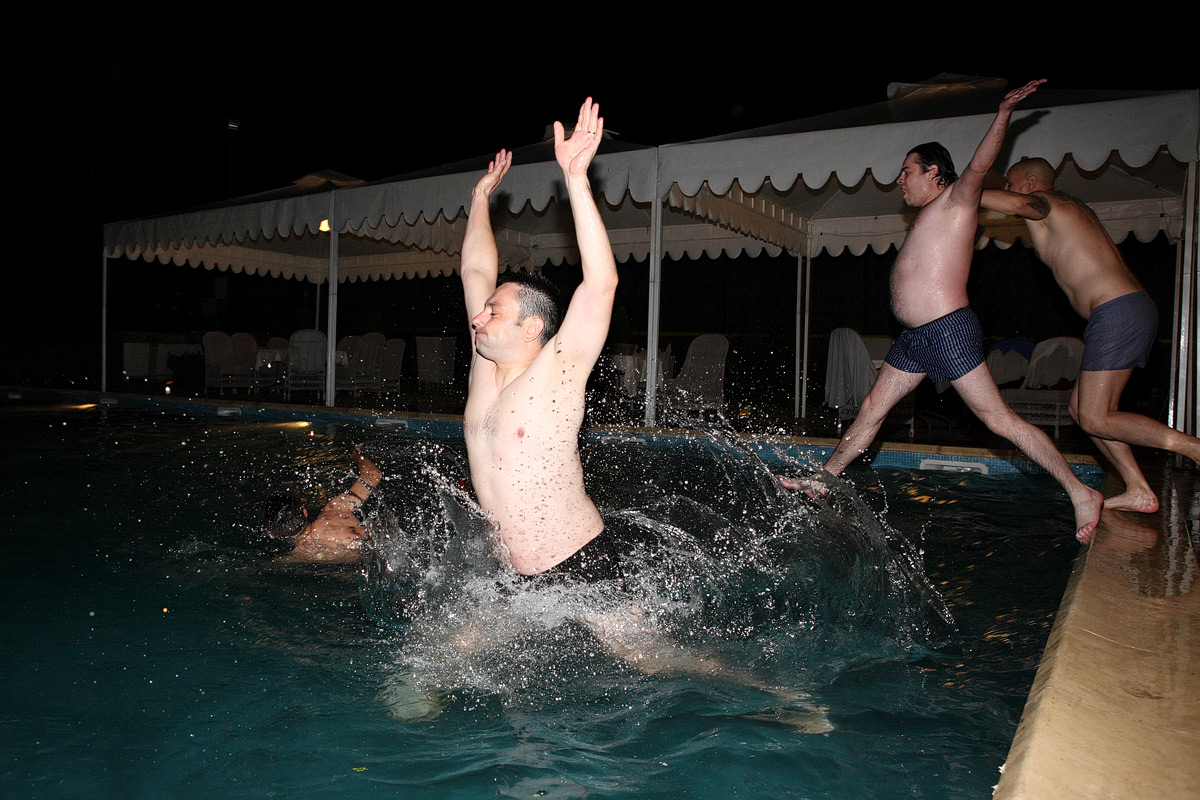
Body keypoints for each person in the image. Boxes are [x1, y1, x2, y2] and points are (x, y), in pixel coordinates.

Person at [778, 79, 1105, 543]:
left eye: (907, 171)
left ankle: (1079, 492)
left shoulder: (956, 200)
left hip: (947, 329)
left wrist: (1003, 114)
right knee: (872, 408)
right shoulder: (928, 216)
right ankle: (823, 481)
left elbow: (980, 165)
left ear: (934, 172)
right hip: (916, 337)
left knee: (998, 420)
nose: (899, 180)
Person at [981, 157, 1200, 512]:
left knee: (1097, 416)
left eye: (1009, 182)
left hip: (1117, 310)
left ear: (1031, 182)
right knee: (1082, 410)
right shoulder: (1070, 207)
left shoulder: (1046, 203)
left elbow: (1020, 204)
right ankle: (1138, 488)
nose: (1006, 189)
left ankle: (1193, 448)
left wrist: (962, 191)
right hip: (1120, 310)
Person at [461, 97, 620, 577]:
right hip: (512, 580)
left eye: (493, 311)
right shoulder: (484, 365)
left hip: (580, 569)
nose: (477, 318)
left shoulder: (557, 372)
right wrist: (479, 198)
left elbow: (600, 284)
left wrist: (576, 179)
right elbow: (475, 270)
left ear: (531, 327)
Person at [262, 444, 381, 562]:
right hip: (382, 546)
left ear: (271, 534)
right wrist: (354, 453)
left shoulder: (298, 557)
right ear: (304, 511)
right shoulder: (335, 510)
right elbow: (373, 474)